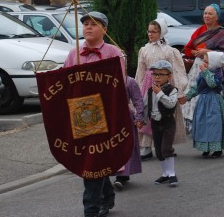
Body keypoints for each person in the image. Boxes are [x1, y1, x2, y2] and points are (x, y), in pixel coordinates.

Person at [63, 11, 125, 217]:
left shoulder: (114, 53)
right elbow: (65, 83)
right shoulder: (74, 54)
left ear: (105, 30)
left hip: (105, 116)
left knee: (93, 160)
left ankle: (90, 209)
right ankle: (106, 197)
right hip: (80, 115)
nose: (88, 27)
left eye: (94, 24)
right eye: (86, 24)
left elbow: (120, 86)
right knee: (92, 160)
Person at [135, 19, 187, 161]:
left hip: (165, 86)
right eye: (149, 31)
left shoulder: (169, 51)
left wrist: (179, 92)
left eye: (154, 31)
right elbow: (140, 71)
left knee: (164, 115)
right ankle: (145, 147)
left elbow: (176, 71)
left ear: (161, 32)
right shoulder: (144, 50)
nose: (150, 34)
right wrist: (138, 90)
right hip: (148, 85)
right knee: (148, 113)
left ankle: (166, 146)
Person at [182, 4, 224, 133]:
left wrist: (208, 51)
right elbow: (188, 48)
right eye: (205, 13)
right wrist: (196, 53)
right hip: (198, 67)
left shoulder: (222, 33)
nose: (206, 16)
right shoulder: (199, 31)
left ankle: (218, 126)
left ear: (217, 16)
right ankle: (195, 124)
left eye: (210, 13)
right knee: (196, 94)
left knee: (215, 98)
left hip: (215, 69)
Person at [179, 51, 224, 157]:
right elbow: (197, 87)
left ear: (214, 63)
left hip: (214, 101)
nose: (204, 64)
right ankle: (206, 147)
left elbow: (212, 84)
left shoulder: (218, 72)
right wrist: (187, 97)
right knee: (203, 124)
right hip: (203, 101)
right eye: (204, 61)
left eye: (207, 62)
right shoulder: (203, 72)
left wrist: (206, 72)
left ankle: (217, 148)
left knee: (213, 124)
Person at [144, 60, 180, 187]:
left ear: (169, 76)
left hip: (167, 121)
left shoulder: (172, 90)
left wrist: (159, 93)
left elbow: (171, 103)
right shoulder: (150, 90)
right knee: (159, 150)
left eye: (161, 74)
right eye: (154, 74)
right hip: (155, 122)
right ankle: (165, 174)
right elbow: (145, 105)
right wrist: (141, 119)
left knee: (166, 148)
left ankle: (172, 173)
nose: (157, 77)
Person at [113, 73, 144, 190]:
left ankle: (122, 175)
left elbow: (138, 99)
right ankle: (118, 173)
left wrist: (139, 117)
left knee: (125, 145)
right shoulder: (104, 79)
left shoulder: (129, 81)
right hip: (109, 117)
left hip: (125, 116)